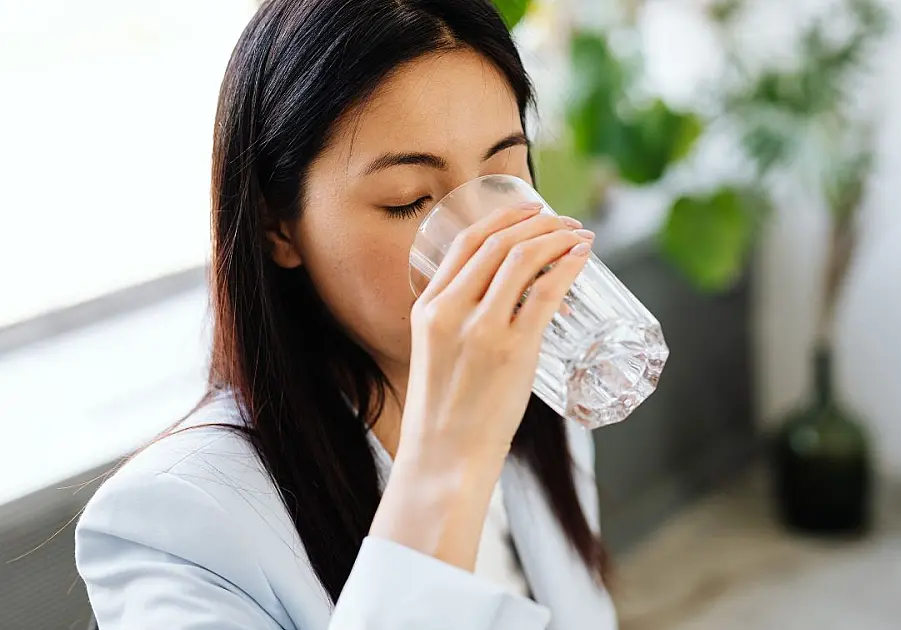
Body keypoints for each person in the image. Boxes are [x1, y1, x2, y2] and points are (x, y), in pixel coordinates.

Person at [74, 0, 616, 628]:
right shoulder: (176, 524)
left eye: (504, 174)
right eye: (408, 201)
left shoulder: (544, 397)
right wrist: (451, 458)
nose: (484, 239)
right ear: (279, 228)